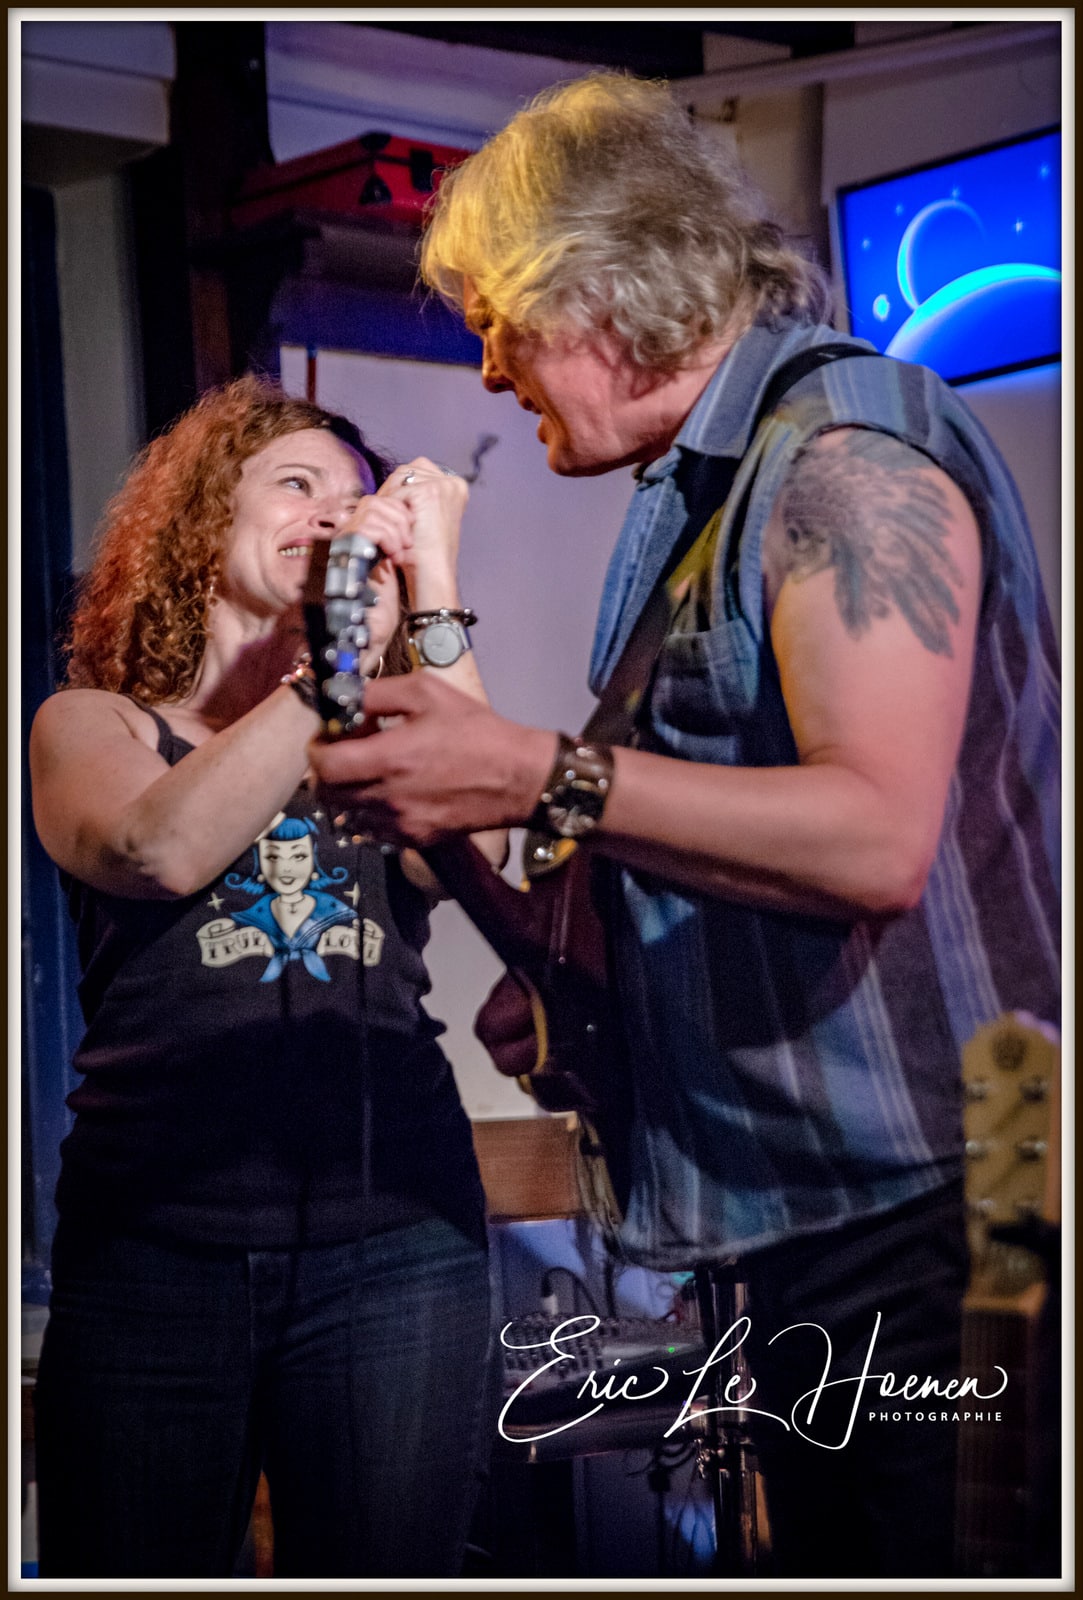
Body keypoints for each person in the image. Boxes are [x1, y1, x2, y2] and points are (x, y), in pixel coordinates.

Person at [307, 75, 1061, 1578]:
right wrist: (579, 967)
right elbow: (715, 851)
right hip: (808, 1219)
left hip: (941, 1211)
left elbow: (872, 836)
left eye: (498, 322)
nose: (487, 369)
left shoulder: (844, 451)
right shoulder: (700, 504)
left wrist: (532, 772)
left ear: (598, 283)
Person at [28, 374, 501, 1578]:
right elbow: (159, 848)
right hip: (155, 1246)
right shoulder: (94, 723)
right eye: (298, 485)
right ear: (203, 519)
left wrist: (433, 589)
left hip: (395, 1237)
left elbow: (489, 856)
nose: (335, 514)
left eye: (355, 499)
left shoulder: (372, 734)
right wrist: (331, 668)